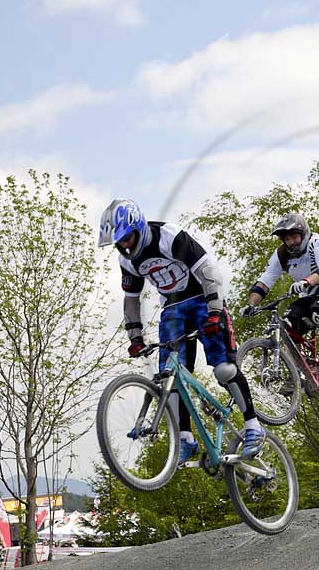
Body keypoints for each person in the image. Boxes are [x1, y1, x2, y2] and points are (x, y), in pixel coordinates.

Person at [98, 198, 265, 463]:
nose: (125, 245)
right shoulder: (127, 261)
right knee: (169, 377)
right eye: (120, 242)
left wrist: (214, 310)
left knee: (223, 369)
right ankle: (185, 439)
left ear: (139, 227)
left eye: (127, 237)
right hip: (173, 311)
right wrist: (135, 337)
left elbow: (207, 269)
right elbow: (131, 299)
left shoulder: (168, 236)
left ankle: (253, 426)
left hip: (203, 298)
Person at [240, 212, 319, 380]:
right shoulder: (281, 255)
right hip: (308, 296)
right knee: (287, 325)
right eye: (287, 239)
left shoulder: (317, 242)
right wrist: (251, 304)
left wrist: (306, 281)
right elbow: (265, 281)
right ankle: (296, 375)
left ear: (303, 233)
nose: (291, 242)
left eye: (294, 237)